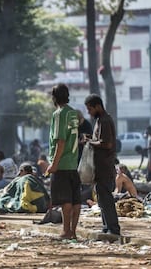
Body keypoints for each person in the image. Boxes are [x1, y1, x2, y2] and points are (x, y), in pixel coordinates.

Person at [47, 84, 81, 240]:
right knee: (75, 200)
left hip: (62, 164)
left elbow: (60, 141)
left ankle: (66, 231)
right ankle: (73, 231)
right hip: (73, 163)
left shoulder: (59, 114)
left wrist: (53, 164)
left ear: (54, 97)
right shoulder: (73, 113)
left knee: (65, 201)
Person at [84, 94, 120, 236]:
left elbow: (107, 143)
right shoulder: (100, 120)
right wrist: (91, 139)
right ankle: (106, 227)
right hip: (100, 168)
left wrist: (90, 142)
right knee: (102, 199)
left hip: (105, 168)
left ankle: (113, 228)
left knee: (106, 199)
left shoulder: (105, 121)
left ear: (97, 106)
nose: (89, 112)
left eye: (90, 109)